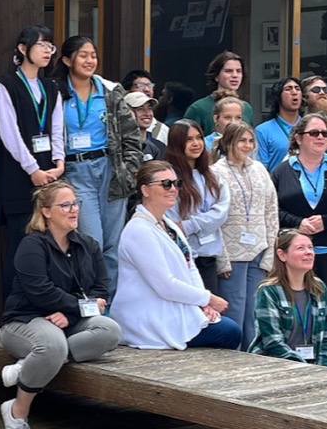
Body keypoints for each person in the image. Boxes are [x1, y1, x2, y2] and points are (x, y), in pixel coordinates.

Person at [0, 182, 121, 429]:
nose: (73, 209)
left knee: (109, 330)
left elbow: (101, 292)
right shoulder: (32, 245)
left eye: (75, 203)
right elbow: (41, 293)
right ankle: (17, 411)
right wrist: (77, 308)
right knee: (52, 344)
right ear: (46, 212)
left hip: (67, 321)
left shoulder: (88, 245)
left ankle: (26, 366)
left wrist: (71, 314)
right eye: (65, 205)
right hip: (24, 320)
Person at [114, 161, 242, 350]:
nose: (173, 189)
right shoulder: (138, 230)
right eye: (166, 184)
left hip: (177, 306)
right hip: (150, 316)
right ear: (145, 190)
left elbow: (190, 267)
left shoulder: (169, 224)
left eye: (176, 183)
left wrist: (203, 306)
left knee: (229, 329)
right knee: (228, 332)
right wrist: (208, 299)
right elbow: (165, 285)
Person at [49, 35, 142, 283]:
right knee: (92, 241)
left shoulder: (110, 91)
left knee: (113, 243)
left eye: (93, 55)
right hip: (75, 170)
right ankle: (91, 299)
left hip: (110, 170)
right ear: (68, 60)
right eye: (83, 55)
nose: (90, 60)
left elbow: (131, 136)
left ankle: (108, 306)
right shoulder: (55, 92)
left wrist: (130, 171)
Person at [270, 113, 327, 348]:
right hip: (295, 252)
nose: (321, 137)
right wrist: (298, 223)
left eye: (326, 133)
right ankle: (296, 349)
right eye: (314, 133)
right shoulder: (282, 170)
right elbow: (271, 208)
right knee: (297, 302)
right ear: (299, 138)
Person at [0, 25, 65, 297]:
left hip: (51, 176)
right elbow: (8, 132)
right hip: (19, 177)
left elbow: (57, 128)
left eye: (50, 46)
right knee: (20, 245)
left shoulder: (51, 87)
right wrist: (32, 168)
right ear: (23, 49)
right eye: (41, 45)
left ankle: (43, 306)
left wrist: (59, 161)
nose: (47, 50)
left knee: (49, 245)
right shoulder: (7, 84)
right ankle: (13, 311)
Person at [211, 123, 279, 349]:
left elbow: (271, 211)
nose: (247, 146)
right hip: (231, 254)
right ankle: (233, 357)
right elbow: (213, 220)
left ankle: (254, 354)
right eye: (242, 141)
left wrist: (271, 253)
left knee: (255, 310)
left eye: (251, 141)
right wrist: (222, 259)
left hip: (258, 250)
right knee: (234, 308)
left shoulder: (260, 170)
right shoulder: (216, 172)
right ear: (229, 142)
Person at [249, 230, 327, 366]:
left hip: (314, 366)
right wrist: (303, 367)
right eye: (300, 248)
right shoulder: (268, 291)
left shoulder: (319, 287)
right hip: (275, 365)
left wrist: (324, 367)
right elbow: (272, 342)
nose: (309, 252)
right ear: (282, 255)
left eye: (310, 247)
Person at [163, 121, 229, 292]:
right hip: (182, 258)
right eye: (189, 139)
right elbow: (170, 217)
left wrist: (189, 225)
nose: (196, 144)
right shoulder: (168, 178)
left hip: (209, 256)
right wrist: (183, 229)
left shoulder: (213, 175)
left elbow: (221, 211)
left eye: (199, 138)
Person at [183, 51, 255, 134]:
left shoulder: (246, 108)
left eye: (238, 71)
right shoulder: (198, 109)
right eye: (228, 71)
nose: (235, 75)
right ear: (216, 76)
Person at [255, 77, 303, 170]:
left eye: (297, 89)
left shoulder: (311, 127)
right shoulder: (263, 130)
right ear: (278, 96)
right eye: (288, 89)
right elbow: (261, 169)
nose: (294, 92)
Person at [125, 91, 167, 162]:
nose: (147, 113)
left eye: (149, 108)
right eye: (140, 108)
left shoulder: (160, 146)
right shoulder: (119, 146)